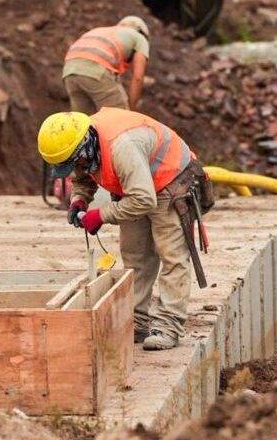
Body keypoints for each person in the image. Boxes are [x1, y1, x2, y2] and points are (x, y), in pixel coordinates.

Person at [37, 108, 204, 351]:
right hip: (136, 186)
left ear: (82, 150)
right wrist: (79, 200)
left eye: (74, 162)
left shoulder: (121, 148)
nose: (75, 168)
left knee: (172, 255)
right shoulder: (85, 144)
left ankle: (168, 324)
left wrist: (101, 215)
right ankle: (137, 321)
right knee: (135, 255)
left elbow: (144, 200)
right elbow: (84, 174)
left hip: (170, 180)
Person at [62, 16, 150, 113]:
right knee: (120, 118)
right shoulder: (139, 37)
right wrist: (132, 110)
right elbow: (138, 77)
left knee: (82, 123)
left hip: (69, 72)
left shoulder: (101, 30)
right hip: (96, 70)